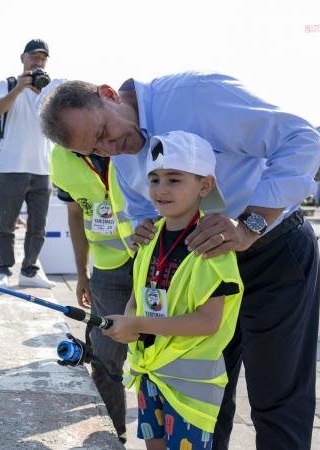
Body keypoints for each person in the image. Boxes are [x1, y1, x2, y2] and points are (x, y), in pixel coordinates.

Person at [40, 72, 320, 449]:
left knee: (277, 398)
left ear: (109, 95)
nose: (110, 150)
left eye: (105, 133)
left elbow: (302, 141)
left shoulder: (195, 95)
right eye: (95, 150)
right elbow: (139, 213)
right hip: (199, 272)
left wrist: (249, 224)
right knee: (205, 398)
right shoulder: (119, 154)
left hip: (271, 253)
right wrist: (144, 232)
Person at [103, 131, 243, 450]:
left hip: (190, 386)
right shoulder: (149, 237)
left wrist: (138, 325)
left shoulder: (213, 245)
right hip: (150, 372)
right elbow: (137, 296)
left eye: (174, 180)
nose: (161, 189)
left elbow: (209, 321)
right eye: (154, 179)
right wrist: (128, 323)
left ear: (204, 186)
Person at [50, 144, 133, 441]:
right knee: (103, 358)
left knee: (163, 357)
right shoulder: (60, 156)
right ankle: (113, 437)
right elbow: (75, 213)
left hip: (160, 261)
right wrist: (81, 273)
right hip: (108, 270)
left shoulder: (128, 133)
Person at [0, 39, 59, 288]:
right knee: (6, 224)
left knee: (38, 227)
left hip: (42, 168)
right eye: (33, 57)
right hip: (12, 166)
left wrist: (46, 92)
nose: (38, 61)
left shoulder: (49, 89)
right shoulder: (7, 84)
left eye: (42, 58)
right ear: (23, 58)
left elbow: (61, 118)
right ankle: (3, 271)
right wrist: (19, 89)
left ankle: (29, 271)